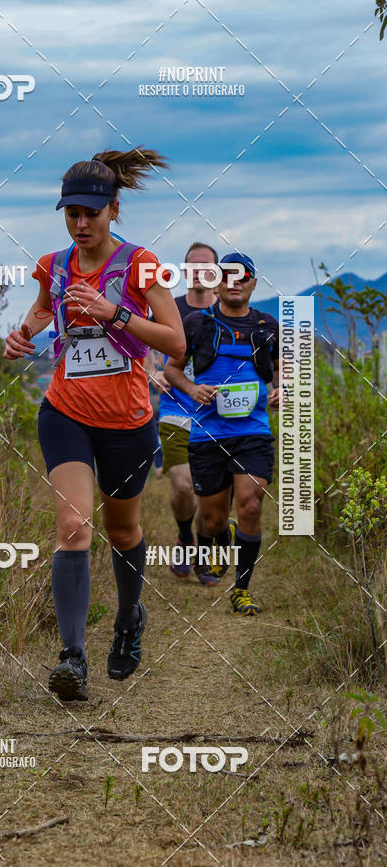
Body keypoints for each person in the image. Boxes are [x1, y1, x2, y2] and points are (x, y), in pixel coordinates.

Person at [4, 148, 184, 701]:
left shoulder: (141, 265)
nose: (81, 224)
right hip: (66, 413)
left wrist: (117, 314)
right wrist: (23, 334)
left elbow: (176, 342)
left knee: (122, 531)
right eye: (72, 214)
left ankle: (129, 618)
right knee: (74, 528)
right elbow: (44, 309)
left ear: (114, 210)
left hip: (128, 422)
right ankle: (72, 658)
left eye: (91, 213)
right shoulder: (54, 266)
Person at [164, 252, 280, 615]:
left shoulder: (267, 325)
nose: (234, 282)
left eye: (242, 276)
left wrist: (282, 389)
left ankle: (241, 589)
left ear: (253, 283)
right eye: (226, 276)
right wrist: (191, 388)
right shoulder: (198, 323)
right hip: (208, 433)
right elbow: (172, 370)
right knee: (213, 520)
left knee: (251, 503)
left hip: (252, 431)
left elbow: (282, 368)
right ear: (217, 282)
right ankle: (220, 536)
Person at [145, 242, 220, 583]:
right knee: (183, 485)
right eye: (192, 266)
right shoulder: (169, 308)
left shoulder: (228, 310)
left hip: (219, 416)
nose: (199, 272)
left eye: (207, 266)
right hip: (176, 407)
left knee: (212, 494)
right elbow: (141, 345)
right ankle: (184, 536)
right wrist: (152, 372)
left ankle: (203, 549)